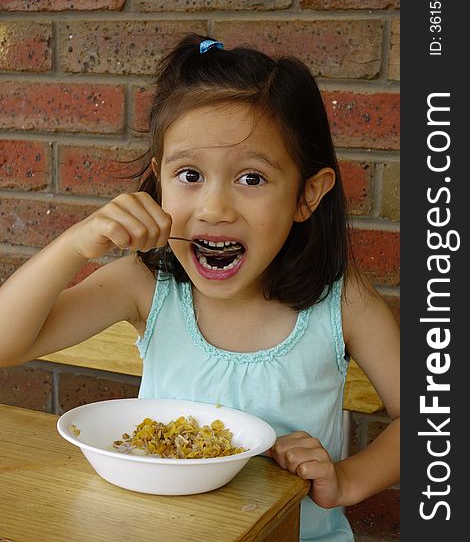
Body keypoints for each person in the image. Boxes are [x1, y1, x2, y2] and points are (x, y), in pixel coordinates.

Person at [0, 34, 399, 541]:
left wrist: (346, 481)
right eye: (189, 174)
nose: (214, 208)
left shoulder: (340, 300)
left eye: (251, 179)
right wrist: (73, 246)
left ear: (307, 195)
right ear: (158, 181)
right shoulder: (146, 284)